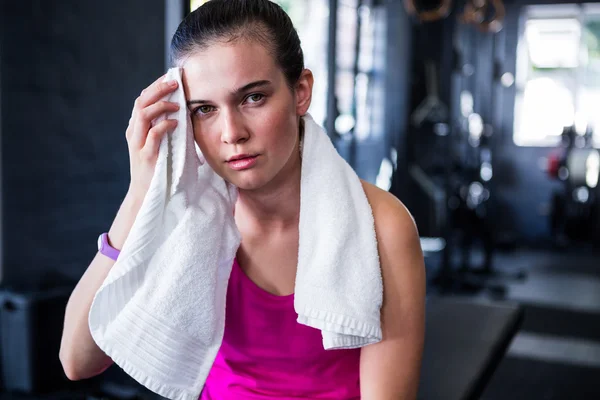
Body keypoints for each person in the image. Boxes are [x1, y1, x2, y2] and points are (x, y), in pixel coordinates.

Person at [59, 0, 426, 398]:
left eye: (253, 98)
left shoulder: (383, 227)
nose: (231, 132)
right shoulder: (185, 214)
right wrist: (140, 194)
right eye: (204, 109)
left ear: (300, 92)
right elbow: (78, 361)